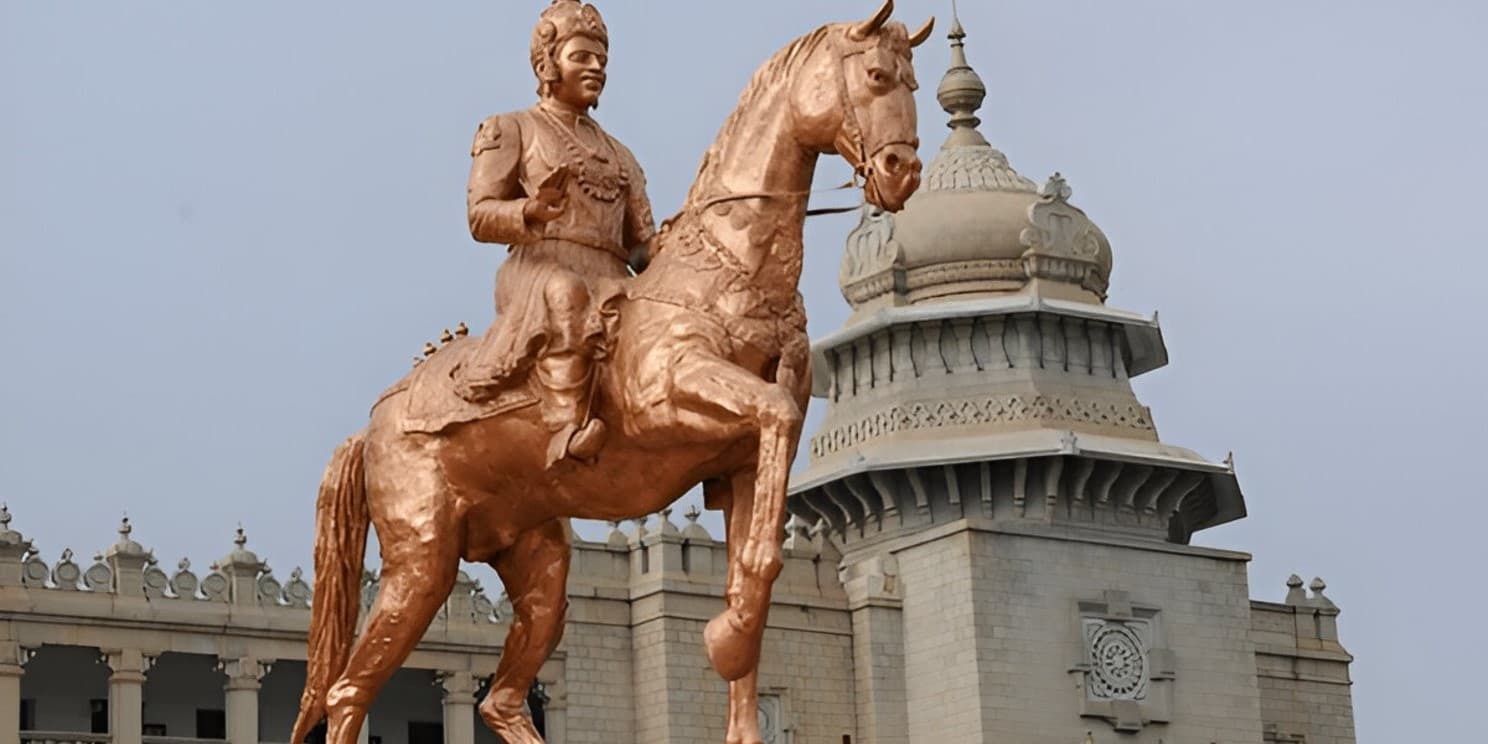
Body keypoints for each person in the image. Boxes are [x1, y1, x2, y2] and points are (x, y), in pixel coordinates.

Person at [455, 0, 655, 468]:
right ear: (548, 64)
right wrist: (530, 210)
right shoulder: (512, 129)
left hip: (611, 275)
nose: (596, 68)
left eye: (602, 60)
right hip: (540, 268)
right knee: (567, 295)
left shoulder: (620, 155)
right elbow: (479, 215)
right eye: (582, 57)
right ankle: (566, 428)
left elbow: (642, 246)